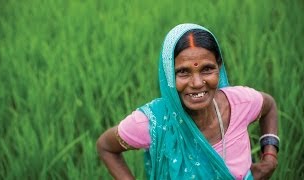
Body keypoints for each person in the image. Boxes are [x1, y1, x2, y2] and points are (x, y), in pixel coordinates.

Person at [96, 23, 278, 180]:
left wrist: (269, 158)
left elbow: (269, 106)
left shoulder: (240, 104)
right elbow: (105, 146)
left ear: (219, 68)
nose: (197, 83)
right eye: (183, 72)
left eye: (207, 69)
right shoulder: (154, 122)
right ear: (168, 75)